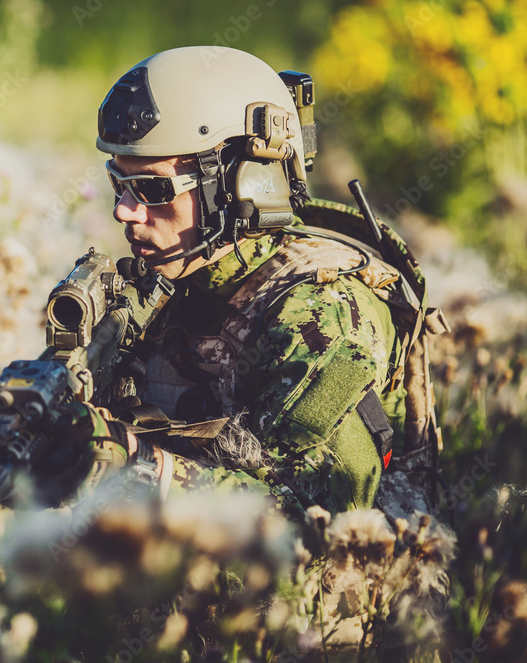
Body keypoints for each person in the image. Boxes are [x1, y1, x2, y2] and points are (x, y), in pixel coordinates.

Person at [53, 46, 447, 519]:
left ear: (244, 183)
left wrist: (134, 468)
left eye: (154, 190)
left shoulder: (322, 312)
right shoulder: (183, 277)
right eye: (119, 184)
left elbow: (310, 518)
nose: (125, 211)